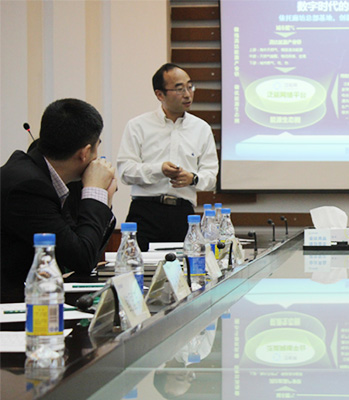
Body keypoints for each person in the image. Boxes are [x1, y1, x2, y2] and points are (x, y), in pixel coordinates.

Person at [1, 98, 117, 303]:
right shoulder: (28, 187)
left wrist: (102, 200)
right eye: (96, 147)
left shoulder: (44, 175)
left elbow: (82, 249)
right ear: (84, 153)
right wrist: (95, 193)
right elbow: (81, 258)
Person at [117, 63, 219, 251]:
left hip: (183, 214)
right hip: (145, 211)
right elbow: (125, 171)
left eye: (190, 86)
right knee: (138, 266)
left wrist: (193, 178)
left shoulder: (201, 128)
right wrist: (159, 170)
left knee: (185, 267)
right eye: (179, 89)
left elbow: (211, 176)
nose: (187, 94)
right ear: (160, 94)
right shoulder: (138, 126)